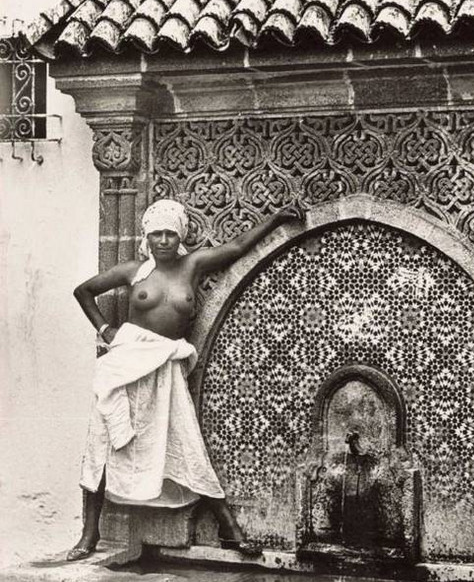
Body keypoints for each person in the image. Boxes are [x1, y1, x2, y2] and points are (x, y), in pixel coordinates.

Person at [68, 197, 304, 560]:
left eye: (169, 234)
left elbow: (238, 247)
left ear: (179, 237)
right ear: (147, 236)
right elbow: (83, 291)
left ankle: (230, 530)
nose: (163, 240)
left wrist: (275, 219)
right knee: (103, 443)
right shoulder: (134, 270)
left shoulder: (192, 265)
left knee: (187, 442)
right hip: (127, 363)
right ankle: (88, 535)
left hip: (167, 365)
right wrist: (105, 329)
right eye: (156, 233)